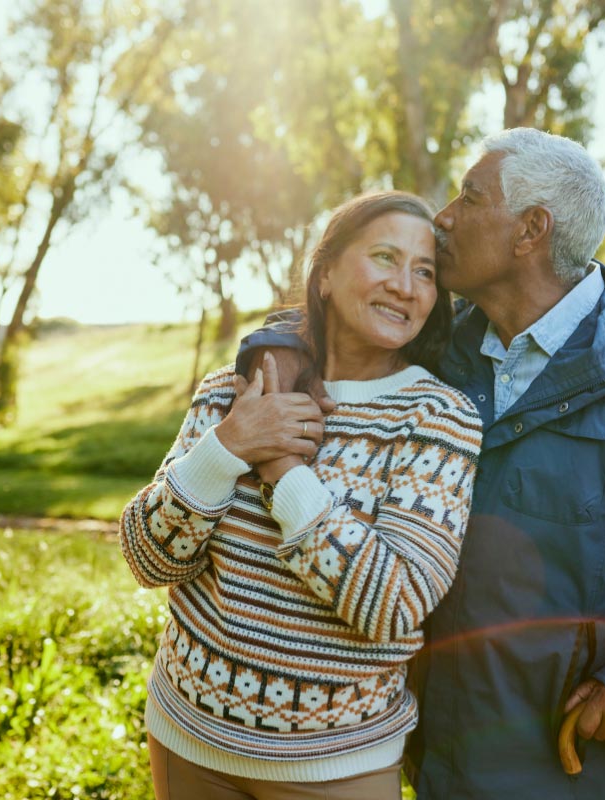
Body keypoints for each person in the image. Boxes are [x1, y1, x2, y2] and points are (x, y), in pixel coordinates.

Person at [240, 128, 605, 799]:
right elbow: (332, 312)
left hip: (564, 759)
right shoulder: (443, 349)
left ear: (530, 231)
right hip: (431, 746)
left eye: (470, 197)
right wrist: (274, 353)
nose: (445, 218)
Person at [119, 191, 484, 800]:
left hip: (335, 766)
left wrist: (285, 470)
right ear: (325, 276)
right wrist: (229, 444)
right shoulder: (232, 393)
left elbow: (393, 604)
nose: (405, 285)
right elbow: (146, 558)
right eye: (385, 257)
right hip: (187, 735)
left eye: (425, 271)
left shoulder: (438, 419)